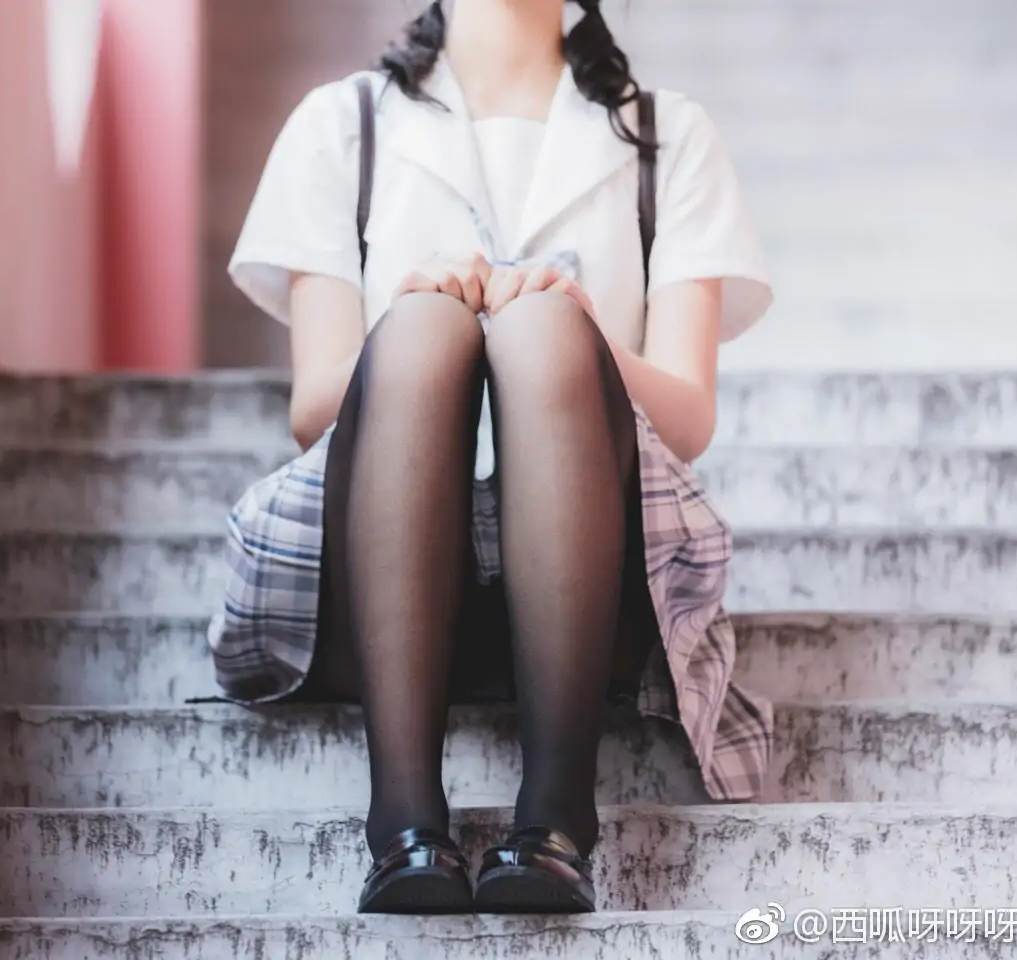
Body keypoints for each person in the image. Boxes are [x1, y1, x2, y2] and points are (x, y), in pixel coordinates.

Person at [207, 0, 774, 916]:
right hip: (381, 600)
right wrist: (412, 312)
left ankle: (556, 820)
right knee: (425, 326)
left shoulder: (670, 135)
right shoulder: (339, 126)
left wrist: (582, 330)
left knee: (546, 329)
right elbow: (315, 409)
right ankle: (403, 821)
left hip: (596, 604)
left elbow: (687, 416)